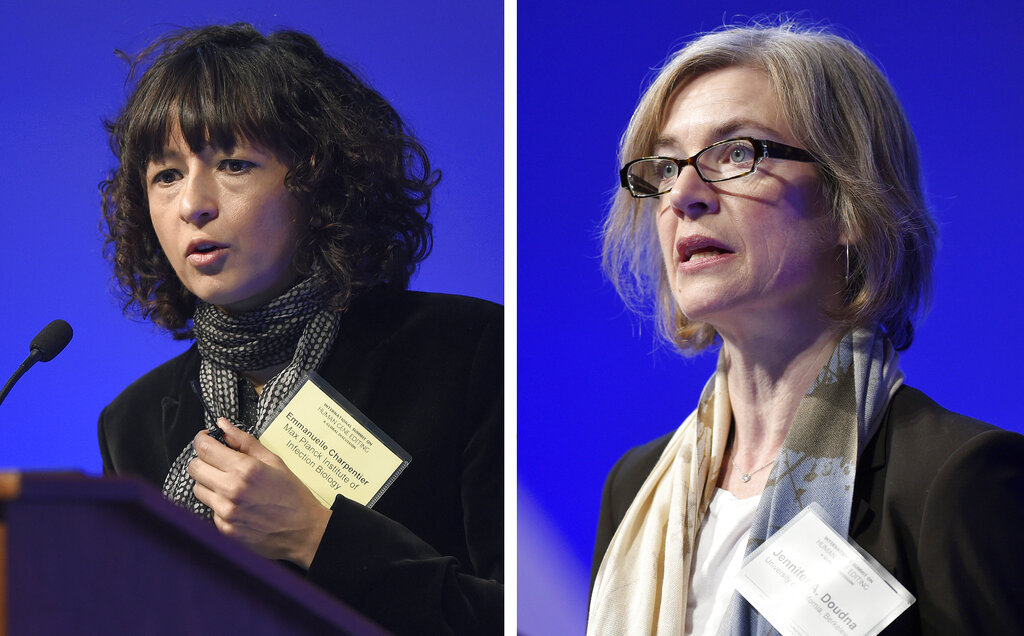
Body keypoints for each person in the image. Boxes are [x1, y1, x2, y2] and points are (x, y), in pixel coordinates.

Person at [589, 22, 1024, 635]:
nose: (683, 193)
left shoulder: (955, 482)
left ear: (852, 201)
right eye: (664, 166)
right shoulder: (634, 487)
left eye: (737, 153)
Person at [97, 23, 502, 635]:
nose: (192, 204)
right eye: (166, 175)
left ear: (321, 183)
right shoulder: (132, 425)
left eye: (233, 164)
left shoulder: (465, 352)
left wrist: (318, 536)